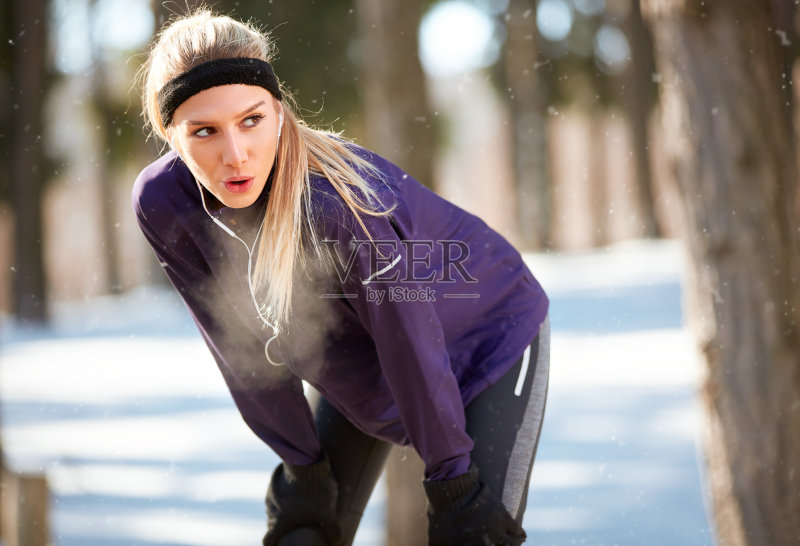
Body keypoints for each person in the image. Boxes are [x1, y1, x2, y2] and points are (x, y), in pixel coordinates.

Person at [133, 8, 550, 546]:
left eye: (252, 120)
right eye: (204, 131)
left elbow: (411, 340)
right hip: (359, 358)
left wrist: (452, 480)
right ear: (170, 136)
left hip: (488, 336)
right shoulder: (165, 203)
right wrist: (301, 465)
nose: (235, 155)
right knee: (304, 532)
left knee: (472, 537)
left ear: (280, 113)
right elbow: (238, 348)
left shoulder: (338, 208)